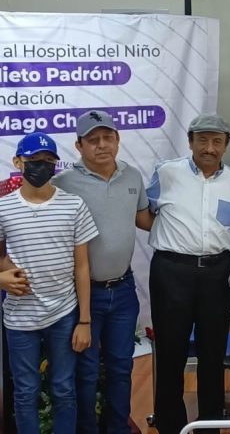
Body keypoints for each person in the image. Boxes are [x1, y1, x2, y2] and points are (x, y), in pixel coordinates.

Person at [146, 114, 230, 434]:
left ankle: (209, 425)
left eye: (217, 141)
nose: (209, 148)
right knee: (170, 352)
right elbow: (146, 215)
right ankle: (170, 425)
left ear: (226, 145)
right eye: (203, 140)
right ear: (191, 141)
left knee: (212, 355)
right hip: (171, 272)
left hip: (216, 274)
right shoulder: (166, 173)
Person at [53, 109, 153, 434]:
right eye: (93, 140)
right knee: (86, 370)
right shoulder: (63, 183)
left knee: (122, 367)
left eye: (107, 137)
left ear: (118, 140)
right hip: (83, 295)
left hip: (123, 291)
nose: (102, 145)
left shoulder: (133, 177)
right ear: (79, 146)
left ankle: (117, 429)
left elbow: (144, 220)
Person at [0, 131, 98, 434]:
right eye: (33, 161)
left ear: (57, 164)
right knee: (25, 391)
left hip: (64, 314)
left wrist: (84, 320)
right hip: (20, 317)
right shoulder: (3, 208)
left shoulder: (74, 205)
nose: (41, 166)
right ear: (18, 162)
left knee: (64, 388)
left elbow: (82, 267)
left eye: (48, 161)